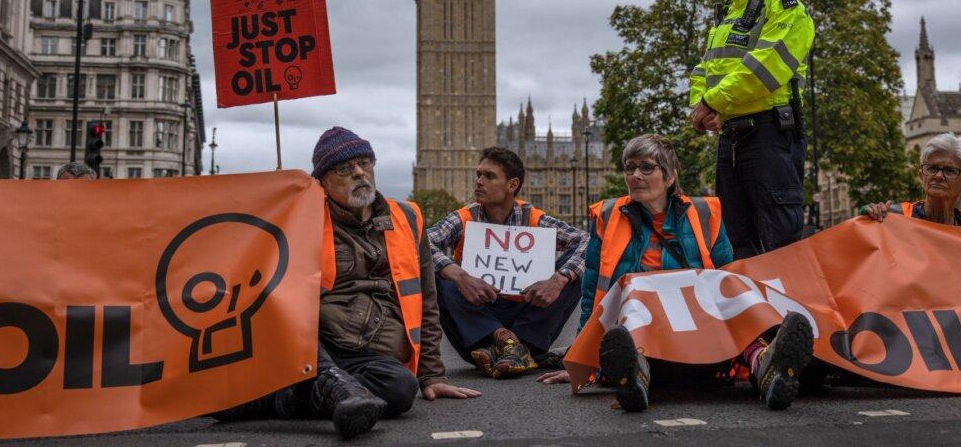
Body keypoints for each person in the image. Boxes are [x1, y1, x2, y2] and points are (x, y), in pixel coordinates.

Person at [213, 127, 480, 439]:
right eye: (344, 168)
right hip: (315, 342)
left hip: (370, 353)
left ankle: (276, 399)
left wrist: (432, 375)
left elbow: (427, 299)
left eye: (365, 163)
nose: (358, 173)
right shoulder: (304, 217)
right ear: (322, 182)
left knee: (400, 389)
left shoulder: (408, 217)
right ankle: (332, 387)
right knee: (287, 321)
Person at [537, 134, 814, 413]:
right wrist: (580, 363)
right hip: (643, 330)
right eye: (629, 168)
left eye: (646, 167)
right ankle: (632, 377)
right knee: (633, 306)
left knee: (734, 291)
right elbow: (591, 294)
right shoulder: (607, 217)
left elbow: (730, 283)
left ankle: (767, 367)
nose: (635, 175)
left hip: (699, 331)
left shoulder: (705, 213)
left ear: (669, 177)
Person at [688, 0, 816, 259]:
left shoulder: (788, 9)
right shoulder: (730, 14)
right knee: (733, 244)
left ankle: (787, 313)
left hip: (769, 136)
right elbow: (706, 67)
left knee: (779, 246)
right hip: (730, 139)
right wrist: (702, 107)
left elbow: (765, 68)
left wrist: (711, 102)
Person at [427, 147, 587, 378]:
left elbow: (588, 241)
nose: (479, 182)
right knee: (436, 274)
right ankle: (510, 344)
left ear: (512, 185)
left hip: (527, 315)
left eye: (489, 176)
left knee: (575, 270)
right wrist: (458, 275)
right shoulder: (464, 217)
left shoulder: (532, 218)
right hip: (477, 320)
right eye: (478, 175)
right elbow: (418, 244)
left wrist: (558, 279)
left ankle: (506, 351)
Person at [863, 132, 961, 227]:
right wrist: (868, 214)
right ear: (921, 175)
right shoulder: (893, 217)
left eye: (950, 171)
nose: (939, 176)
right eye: (932, 168)